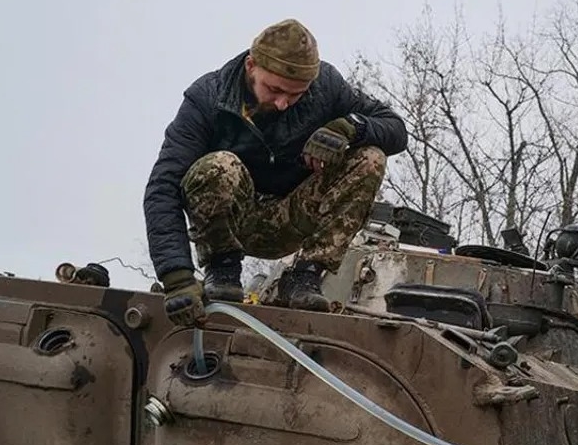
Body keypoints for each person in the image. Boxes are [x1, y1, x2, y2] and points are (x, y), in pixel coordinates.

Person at [143, 18, 408, 327]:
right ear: (251, 65)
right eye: (274, 90)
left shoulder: (327, 87)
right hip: (231, 222)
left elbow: (396, 129)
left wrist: (350, 127)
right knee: (219, 166)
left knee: (370, 157)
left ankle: (304, 276)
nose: (283, 103)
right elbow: (163, 186)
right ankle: (223, 271)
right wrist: (176, 276)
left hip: (293, 216)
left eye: (296, 95)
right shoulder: (207, 98)